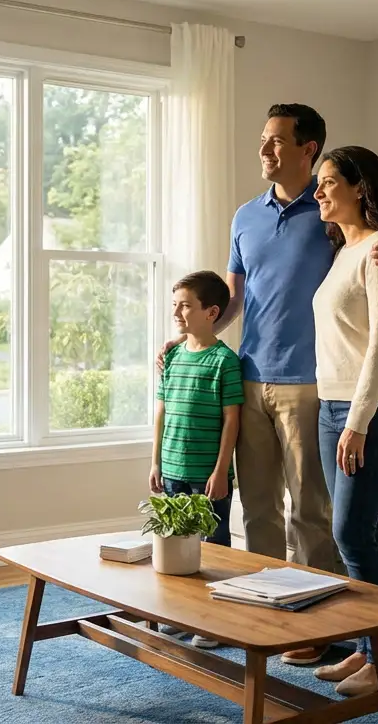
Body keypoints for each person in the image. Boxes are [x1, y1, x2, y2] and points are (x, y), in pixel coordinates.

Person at [158, 104, 378, 666]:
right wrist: (190, 338)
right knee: (257, 509)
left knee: (311, 511)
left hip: (315, 385)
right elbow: (235, 299)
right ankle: (264, 614)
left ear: (309, 149)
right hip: (250, 375)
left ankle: (318, 625)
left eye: (277, 141)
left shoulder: (330, 214)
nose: (264, 151)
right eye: (263, 140)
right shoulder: (244, 217)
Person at [308, 146, 378, 696]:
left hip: (371, 411)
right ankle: (366, 650)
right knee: (358, 532)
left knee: (351, 532)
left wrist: (357, 422)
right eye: (318, 182)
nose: (319, 191)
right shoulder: (342, 251)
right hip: (332, 407)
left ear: (360, 187)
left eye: (328, 182)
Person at [149, 270, 244, 650]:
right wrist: (155, 462)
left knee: (213, 550)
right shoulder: (170, 356)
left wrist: (222, 471)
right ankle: (180, 615)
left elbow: (231, 420)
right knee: (174, 551)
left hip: (208, 475)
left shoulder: (225, 361)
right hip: (171, 470)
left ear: (211, 311)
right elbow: (161, 411)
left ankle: (214, 622)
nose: (177, 312)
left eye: (185, 305)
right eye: (175, 305)